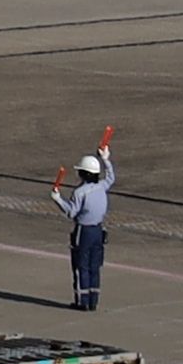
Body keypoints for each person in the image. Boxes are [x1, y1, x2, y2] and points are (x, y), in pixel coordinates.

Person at [54, 132, 117, 313]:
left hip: (83, 231)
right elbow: (111, 178)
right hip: (98, 230)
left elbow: (71, 212)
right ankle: (93, 300)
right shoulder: (101, 187)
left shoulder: (80, 193)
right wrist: (106, 159)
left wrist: (57, 199)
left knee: (81, 266)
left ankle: (82, 300)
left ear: (83, 173)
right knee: (94, 266)